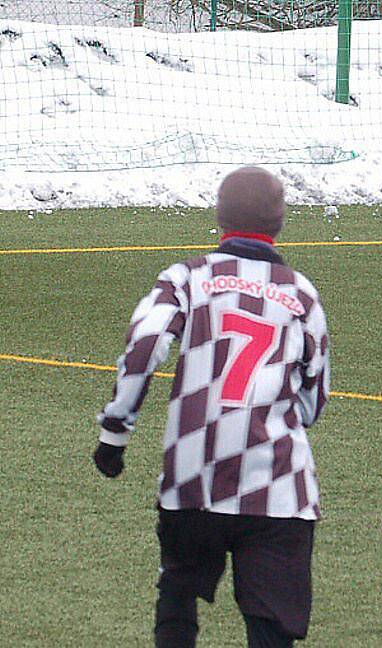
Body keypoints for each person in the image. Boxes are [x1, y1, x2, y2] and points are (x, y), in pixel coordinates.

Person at [93, 167, 330, 647]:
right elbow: (313, 394)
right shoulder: (301, 293)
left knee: (177, 597)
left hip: (194, 474)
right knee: (271, 623)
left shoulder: (189, 277)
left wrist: (115, 434)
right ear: (280, 222)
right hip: (277, 484)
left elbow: (143, 347)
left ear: (218, 218)